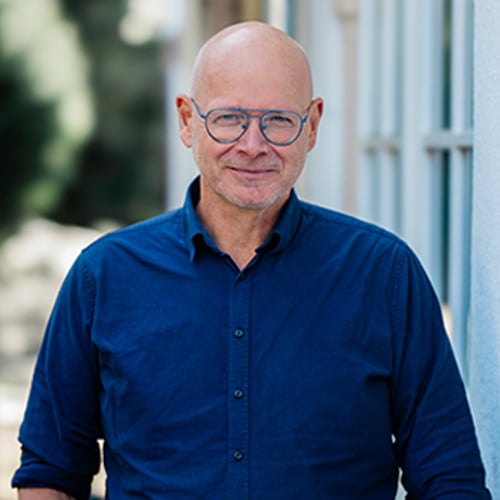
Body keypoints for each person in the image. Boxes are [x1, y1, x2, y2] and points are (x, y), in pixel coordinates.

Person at [12, 21, 490, 499]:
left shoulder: (385, 275)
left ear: (312, 126)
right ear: (187, 120)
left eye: (278, 120)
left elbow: (450, 477)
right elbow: (50, 472)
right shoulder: (103, 277)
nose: (253, 145)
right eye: (228, 118)